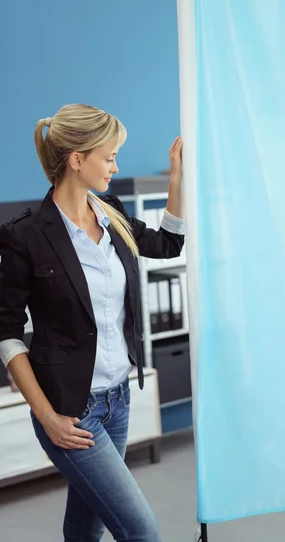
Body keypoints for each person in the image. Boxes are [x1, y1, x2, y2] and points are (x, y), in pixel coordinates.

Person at [0, 104, 185, 542]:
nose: (116, 167)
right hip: (71, 411)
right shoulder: (24, 235)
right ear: (77, 159)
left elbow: (168, 244)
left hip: (118, 400)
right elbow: (6, 333)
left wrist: (176, 177)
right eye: (109, 156)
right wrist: (47, 417)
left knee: (86, 529)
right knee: (142, 533)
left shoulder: (113, 213)